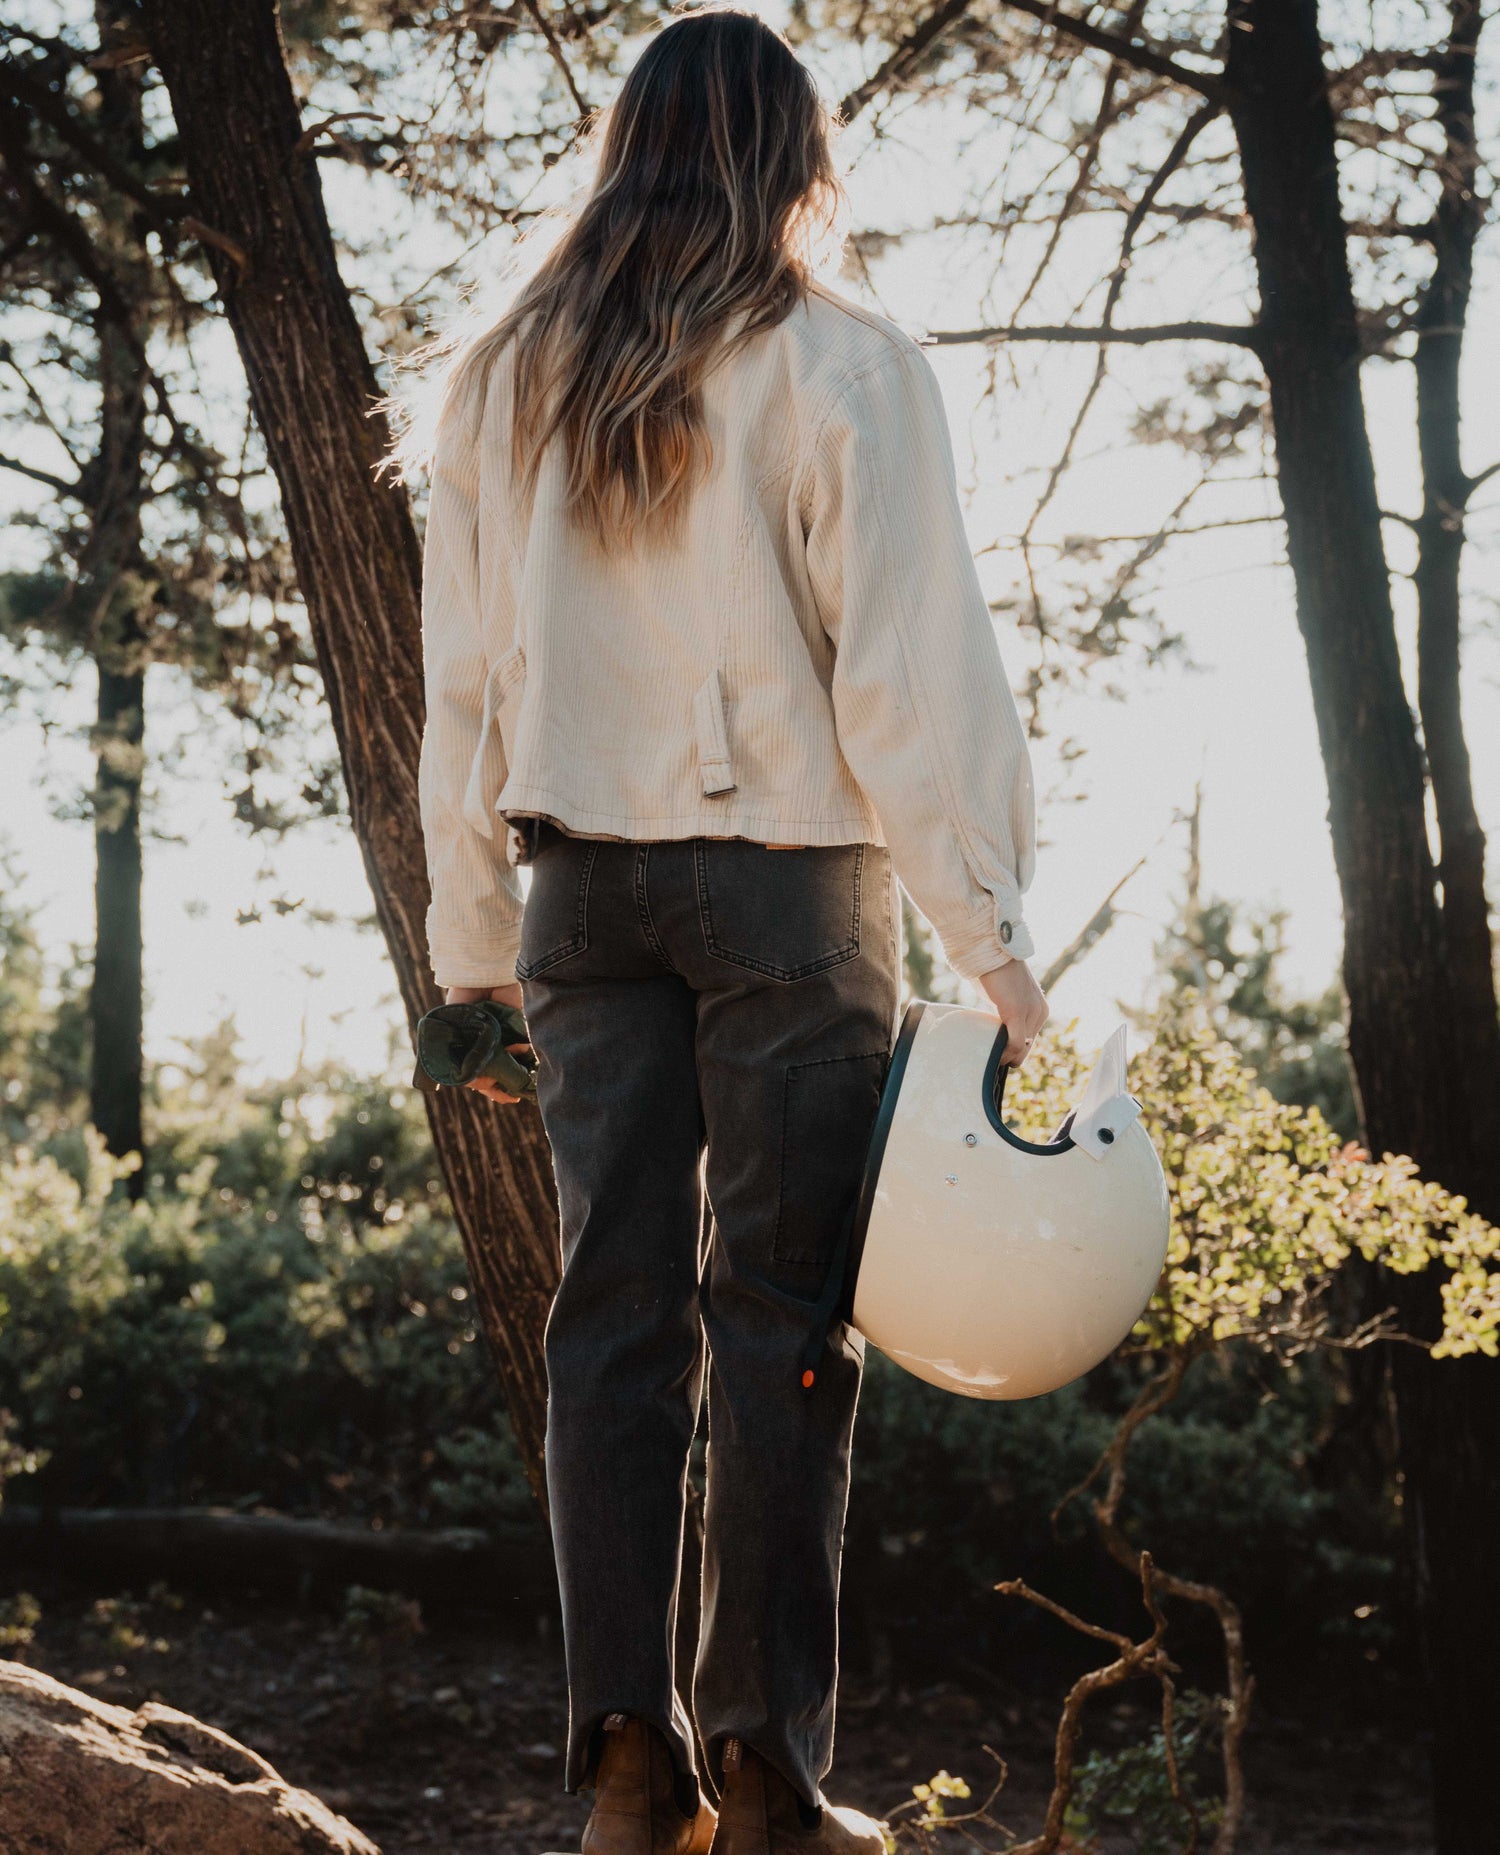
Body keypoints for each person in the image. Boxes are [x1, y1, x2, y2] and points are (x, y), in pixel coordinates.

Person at [415, 9, 1047, 1853]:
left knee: (609, 1314)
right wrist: (997, 949)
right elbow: (911, 689)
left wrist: (470, 950)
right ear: (797, 154)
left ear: (630, 144)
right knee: (779, 1318)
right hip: (785, 884)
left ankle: (625, 1774)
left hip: (570, 896)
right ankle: (765, 1773)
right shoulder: (846, 360)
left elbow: (464, 688)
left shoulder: (502, 375)